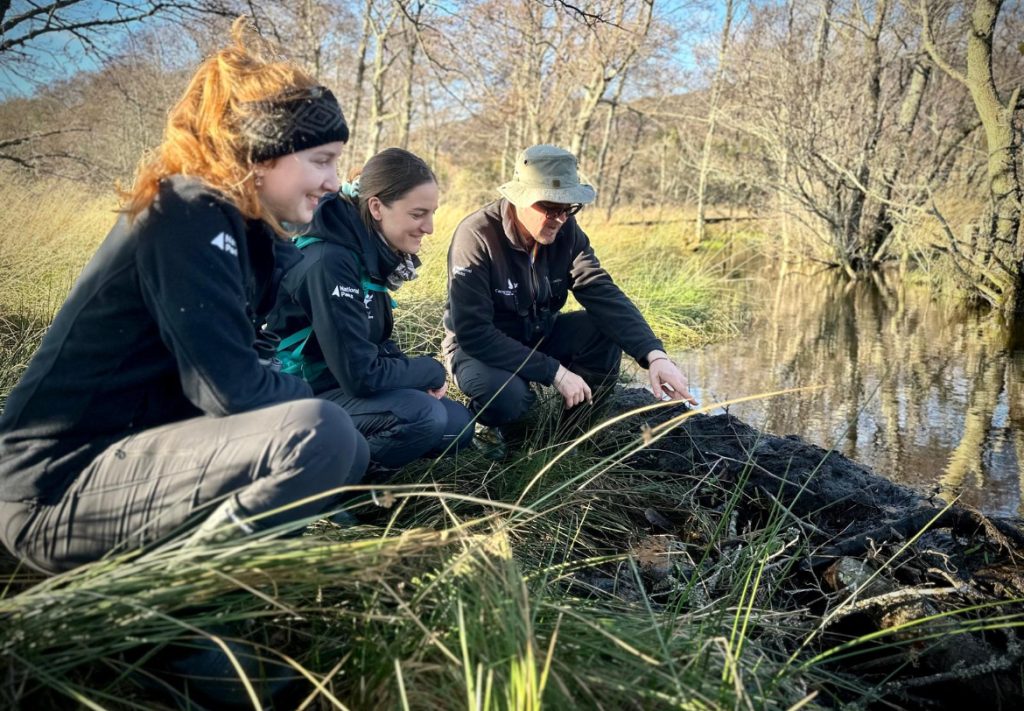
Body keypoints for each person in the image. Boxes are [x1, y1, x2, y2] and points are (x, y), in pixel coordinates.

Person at [0, 19, 368, 576]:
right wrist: (306, 403)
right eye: (322, 160)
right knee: (320, 433)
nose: (335, 181)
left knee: (346, 445)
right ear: (263, 155)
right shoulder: (187, 211)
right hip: (50, 489)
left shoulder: (244, 232)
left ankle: (187, 596)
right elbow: (231, 391)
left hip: (119, 466)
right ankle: (168, 602)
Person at [443, 144, 697, 441]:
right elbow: (473, 333)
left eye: (568, 208)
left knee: (602, 330)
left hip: (538, 336)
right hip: (479, 351)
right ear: (519, 198)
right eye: (550, 208)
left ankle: (568, 441)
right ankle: (495, 434)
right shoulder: (476, 236)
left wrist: (655, 356)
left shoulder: (567, 231)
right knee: (509, 399)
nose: (560, 219)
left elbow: (601, 291)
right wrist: (555, 372)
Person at [268, 148, 473, 473]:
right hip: (294, 397)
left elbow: (374, 341)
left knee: (457, 424)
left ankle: (362, 467)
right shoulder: (330, 262)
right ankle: (325, 488)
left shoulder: (367, 252)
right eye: (418, 214)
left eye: (433, 213)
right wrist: (431, 371)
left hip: (334, 384)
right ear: (376, 207)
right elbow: (361, 376)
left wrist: (416, 381)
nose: (430, 227)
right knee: (424, 416)